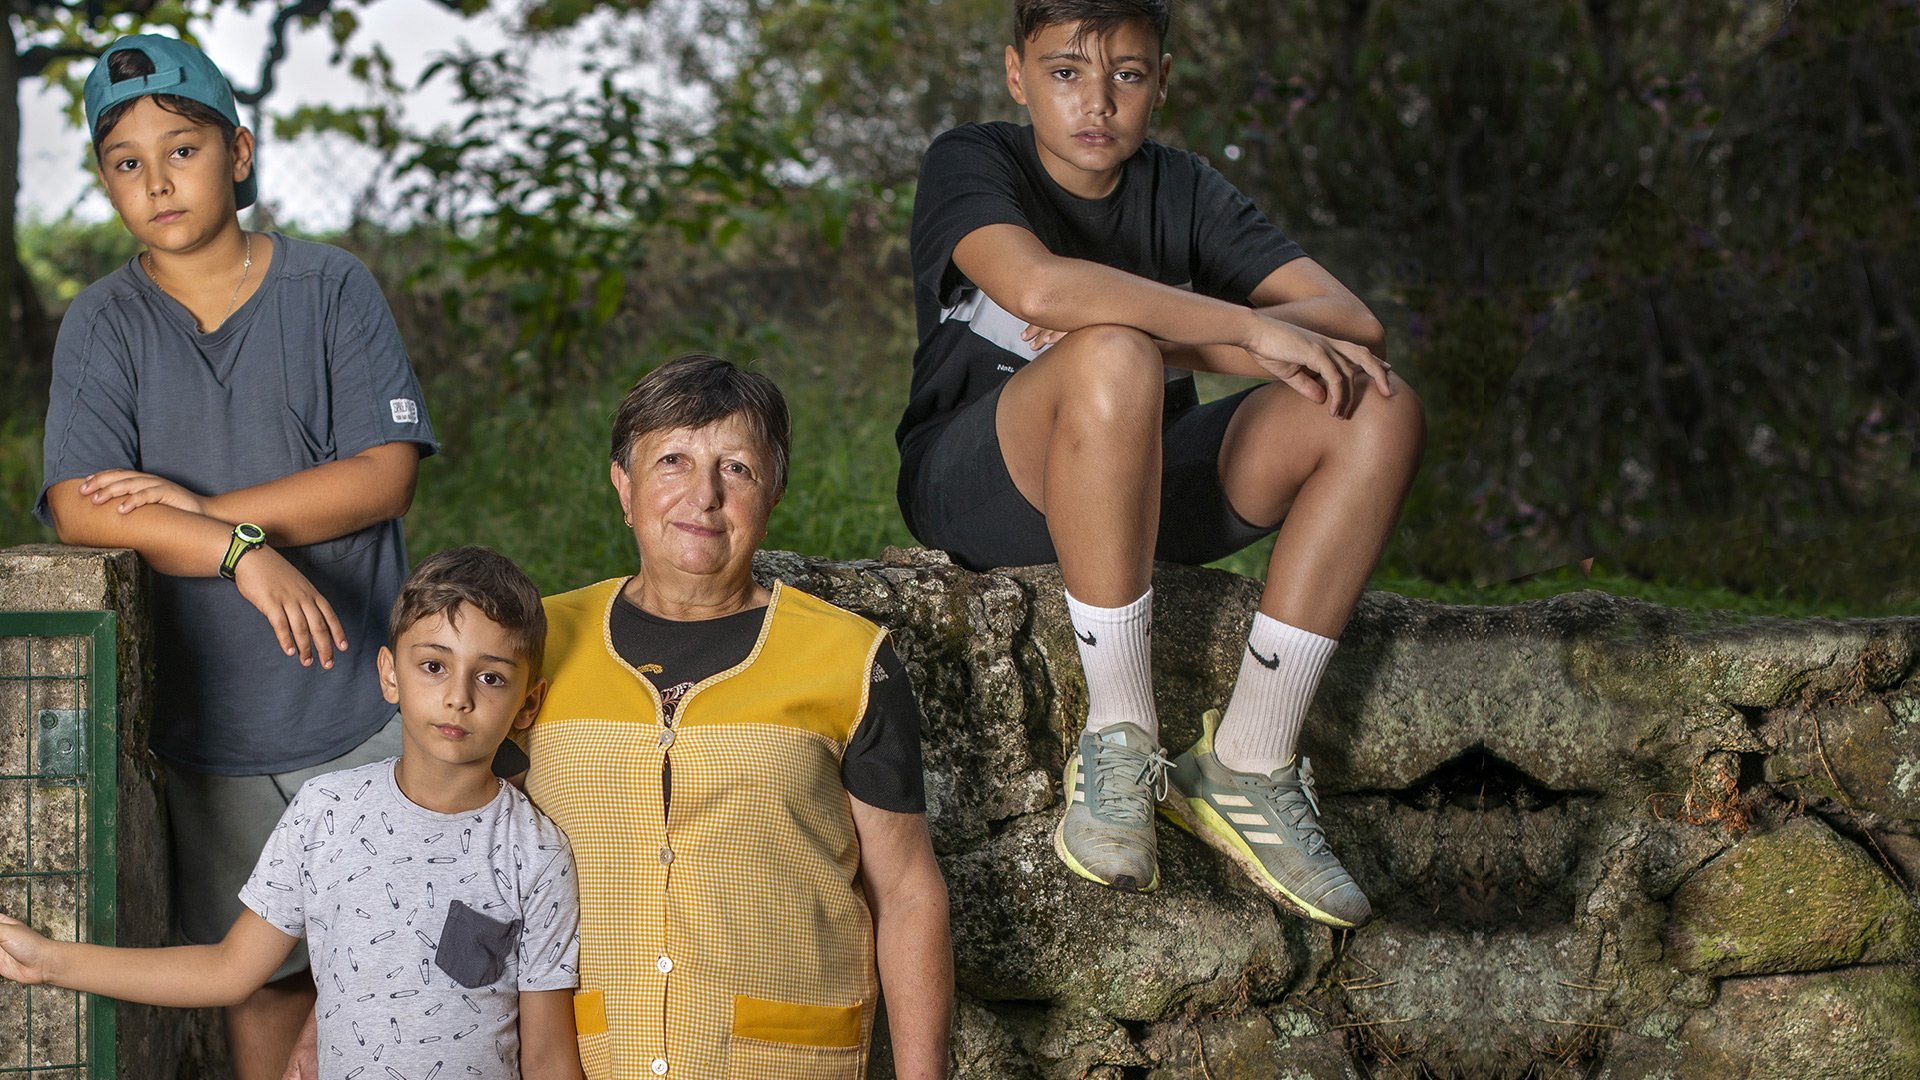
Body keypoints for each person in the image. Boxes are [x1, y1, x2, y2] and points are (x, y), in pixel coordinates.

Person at [895, 0, 1425, 928]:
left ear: (1161, 83)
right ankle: (1120, 737)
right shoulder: (974, 160)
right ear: (1019, 76)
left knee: (1375, 405)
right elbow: (1035, 285)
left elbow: (1350, 326)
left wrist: (1191, 341)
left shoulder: (1181, 185)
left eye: (1127, 75)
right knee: (1110, 354)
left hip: (1135, 490)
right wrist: (1245, 328)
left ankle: (1250, 763)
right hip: (984, 479)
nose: (1096, 101)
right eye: (1066, 73)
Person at [33, 34, 438, 1077]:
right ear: (105, 182)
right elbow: (82, 507)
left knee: (402, 976)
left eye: (184, 148)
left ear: (240, 153)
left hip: (360, 711)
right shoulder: (104, 325)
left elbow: (381, 473)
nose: (159, 180)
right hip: (212, 736)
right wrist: (238, 552)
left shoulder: (330, 288)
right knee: (260, 981)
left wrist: (206, 513)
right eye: (128, 162)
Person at [520, 354, 952, 1079]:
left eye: (738, 469)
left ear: (774, 491)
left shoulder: (849, 659)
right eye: (672, 461)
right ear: (623, 486)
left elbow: (908, 893)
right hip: (584, 1057)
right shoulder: (536, 644)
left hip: (783, 1059)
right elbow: (456, 848)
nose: (704, 495)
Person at [0, 547, 584, 1080]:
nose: (459, 696)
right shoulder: (326, 813)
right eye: (434, 665)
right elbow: (230, 970)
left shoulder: (534, 853)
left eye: (491, 677)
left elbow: (548, 1057)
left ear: (527, 702)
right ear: (389, 675)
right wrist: (51, 962)